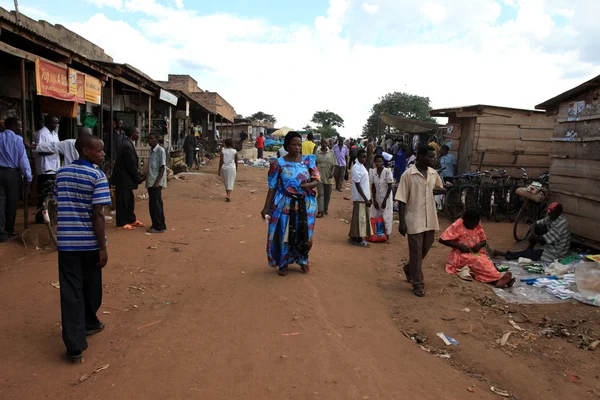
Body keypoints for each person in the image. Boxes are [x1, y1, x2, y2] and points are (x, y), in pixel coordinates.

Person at [55, 133, 111, 362]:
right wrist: (103, 246)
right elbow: (98, 214)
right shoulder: (97, 176)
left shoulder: (61, 173)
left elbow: (56, 201)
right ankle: (87, 325)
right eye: (100, 150)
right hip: (89, 244)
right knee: (91, 287)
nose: (104, 153)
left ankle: (75, 344)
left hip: (67, 244)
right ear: (86, 151)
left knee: (71, 292)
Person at [261, 131, 319, 276]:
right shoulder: (278, 163)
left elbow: (316, 179)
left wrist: (309, 185)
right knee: (285, 233)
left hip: (305, 204)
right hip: (285, 203)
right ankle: (284, 262)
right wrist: (266, 207)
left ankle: (303, 259)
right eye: (293, 144)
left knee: (305, 233)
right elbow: (272, 186)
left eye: (299, 144)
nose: (297, 147)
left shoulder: (308, 160)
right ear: (287, 145)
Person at [396, 145, 445, 297]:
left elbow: (438, 187)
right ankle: (418, 283)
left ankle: (409, 268)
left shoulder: (432, 173)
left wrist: (444, 189)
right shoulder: (408, 175)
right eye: (429, 156)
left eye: (433, 156)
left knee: (426, 246)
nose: (432, 159)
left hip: (429, 217)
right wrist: (402, 222)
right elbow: (402, 199)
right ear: (420, 156)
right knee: (416, 251)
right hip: (414, 218)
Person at [439, 208, 516, 288]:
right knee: (478, 262)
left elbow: (484, 241)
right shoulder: (457, 225)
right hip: (461, 255)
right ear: (466, 220)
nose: (475, 226)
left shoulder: (477, 224)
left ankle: (499, 279)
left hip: (476, 253)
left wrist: (479, 245)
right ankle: (497, 280)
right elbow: (442, 239)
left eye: (477, 223)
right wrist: (459, 246)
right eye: (473, 223)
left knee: (486, 262)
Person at [503, 202, 571, 263]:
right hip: (551, 246)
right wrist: (533, 233)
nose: (549, 214)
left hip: (556, 253)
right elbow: (534, 224)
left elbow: (542, 241)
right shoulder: (553, 217)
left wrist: (533, 236)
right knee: (538, 228)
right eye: (549, 212)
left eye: (551, 212)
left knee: (527, 254)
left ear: (558, 212)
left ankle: (505, 254)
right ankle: (530, 248)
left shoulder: (560, 223)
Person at [0, 117, 32, 242]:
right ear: (13, 126)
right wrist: (28, 177)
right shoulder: (18, 140)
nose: (21, 128)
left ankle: (1, 233)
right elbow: (23, 160)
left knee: (1, 203)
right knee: (12, 203)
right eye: (19, 126)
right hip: (12, 174)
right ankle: (8, 230)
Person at [111, 126, 145, 230]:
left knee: (129, 200)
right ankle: (121, 223)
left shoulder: (129, 143)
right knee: (122, 201)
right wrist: (138, 177)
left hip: (127, 179)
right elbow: (130, 164)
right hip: (123, 179)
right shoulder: (126, 145)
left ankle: (130, 219)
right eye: (137, 133)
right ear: (132, 134)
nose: (139, 135)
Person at [34, 115, 60, 223]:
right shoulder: (42, 134)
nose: (56, 125)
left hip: (54, 167)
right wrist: (55, 151)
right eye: (54, 123)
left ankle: (50, 215)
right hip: (45, 167)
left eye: (57, 123)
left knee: (52, 193)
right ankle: (42, 216)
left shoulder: (55, 134)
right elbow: (39, 150)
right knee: (44, 194)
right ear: (47, 122)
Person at [348, 149, 372, 247]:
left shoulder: (361, 166)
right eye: (362, 157)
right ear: (357, 157)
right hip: (360, 198)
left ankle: (354, 236)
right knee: (361, 219)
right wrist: (365, 198)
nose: (364, 159)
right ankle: (359, 239)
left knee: (359, 218)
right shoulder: (356, 167)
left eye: (365, 157)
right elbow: (357, 184)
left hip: (364, 197)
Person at [146, 133, 167, 233]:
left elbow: (162, 167)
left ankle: (158, 226)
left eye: (152, 139)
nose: (149, 141)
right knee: (155, 204)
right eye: (148, 139)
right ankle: (160, 224)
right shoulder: (151, 151)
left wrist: (157, 181)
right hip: (151, 180)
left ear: (156, 140)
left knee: (156, 205)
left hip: (155, 182)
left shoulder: (160, 150)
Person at [370, 155, 394, 238]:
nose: (378, 163)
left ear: (383, 162)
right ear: (375, 162)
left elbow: (390, 186)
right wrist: (374, 200)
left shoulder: (387, 171)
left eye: (380, 161)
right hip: (377, 196)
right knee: (376, 214)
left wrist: (384, 200)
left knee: (386, 215)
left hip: (386, 197)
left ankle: (387, 234)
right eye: (377, 161)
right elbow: (373, 186)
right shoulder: (373, 172)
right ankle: (378, 234)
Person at [315, 139, 335, 218]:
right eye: (323, 142)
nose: (324, 144)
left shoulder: (331, 153)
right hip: (319, 177)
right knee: (321, 194)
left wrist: (332, 173)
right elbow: (314, 165)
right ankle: (320, 210)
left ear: (327, 144)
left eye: (325, 143)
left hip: (328, 177)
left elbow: (334, 164)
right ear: (320, 143)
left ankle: (325, 208)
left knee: (327, 195)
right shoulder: (317, 153)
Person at [218, 138, 238, 202]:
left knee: (226, 182)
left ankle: (227, 194)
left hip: (224, 168)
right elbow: (236, 161)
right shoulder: (234, 151)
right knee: (231, 182)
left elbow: (221, 161)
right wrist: (237, 168)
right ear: (232, 144)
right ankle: (228, 195)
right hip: (232, 168)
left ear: (225, 144)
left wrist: (219, 169)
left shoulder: (223, 151)